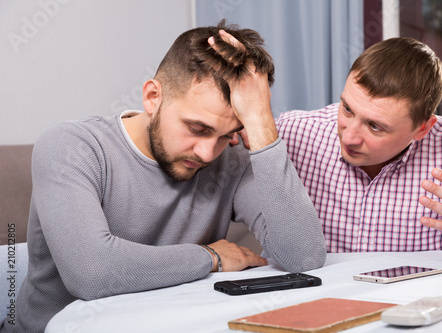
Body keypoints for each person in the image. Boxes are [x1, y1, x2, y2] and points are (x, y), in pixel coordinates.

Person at [1, 22, 326, 332]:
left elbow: (303, 257)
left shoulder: (232, 161)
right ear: (153, 97)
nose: (207, 153)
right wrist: (210, 257)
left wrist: (260, 124)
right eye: (198, 129)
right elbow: (93, 274)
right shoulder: (72, 146)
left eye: (228, 135)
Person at [274, 37, 442, 252]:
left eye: (375, 127)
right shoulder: (290, 134)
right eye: (347, 109)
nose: (349, 137)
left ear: (423, 128)